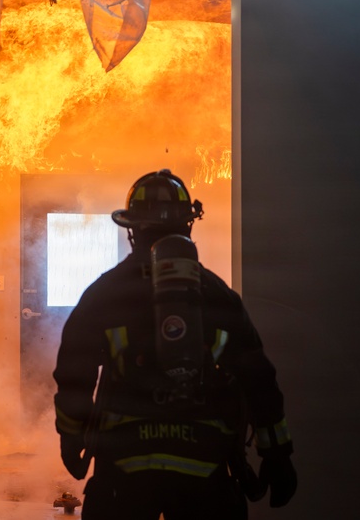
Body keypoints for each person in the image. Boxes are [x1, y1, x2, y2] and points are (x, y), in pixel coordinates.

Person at [52, 169, 297, 519]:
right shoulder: (218, 296)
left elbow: (74, 372)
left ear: (132, 229)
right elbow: (259, 380)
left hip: (124, 474)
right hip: (206, 473)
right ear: (188, 225)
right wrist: (277, 456)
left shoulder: (104, 294)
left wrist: (71, 436)